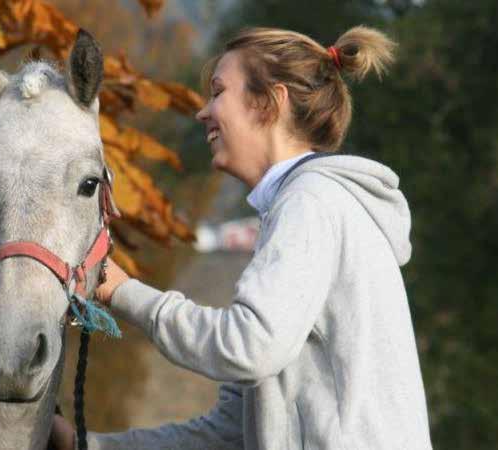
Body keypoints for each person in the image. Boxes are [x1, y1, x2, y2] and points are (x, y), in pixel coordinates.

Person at [52, 25, 433, 450]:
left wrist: (122, 293)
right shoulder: (304, 210)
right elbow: (231, 432)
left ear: (270, 101)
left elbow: (248, 345)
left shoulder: (312, 202)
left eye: (218, 92)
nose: (203, 111)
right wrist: (89, 446)